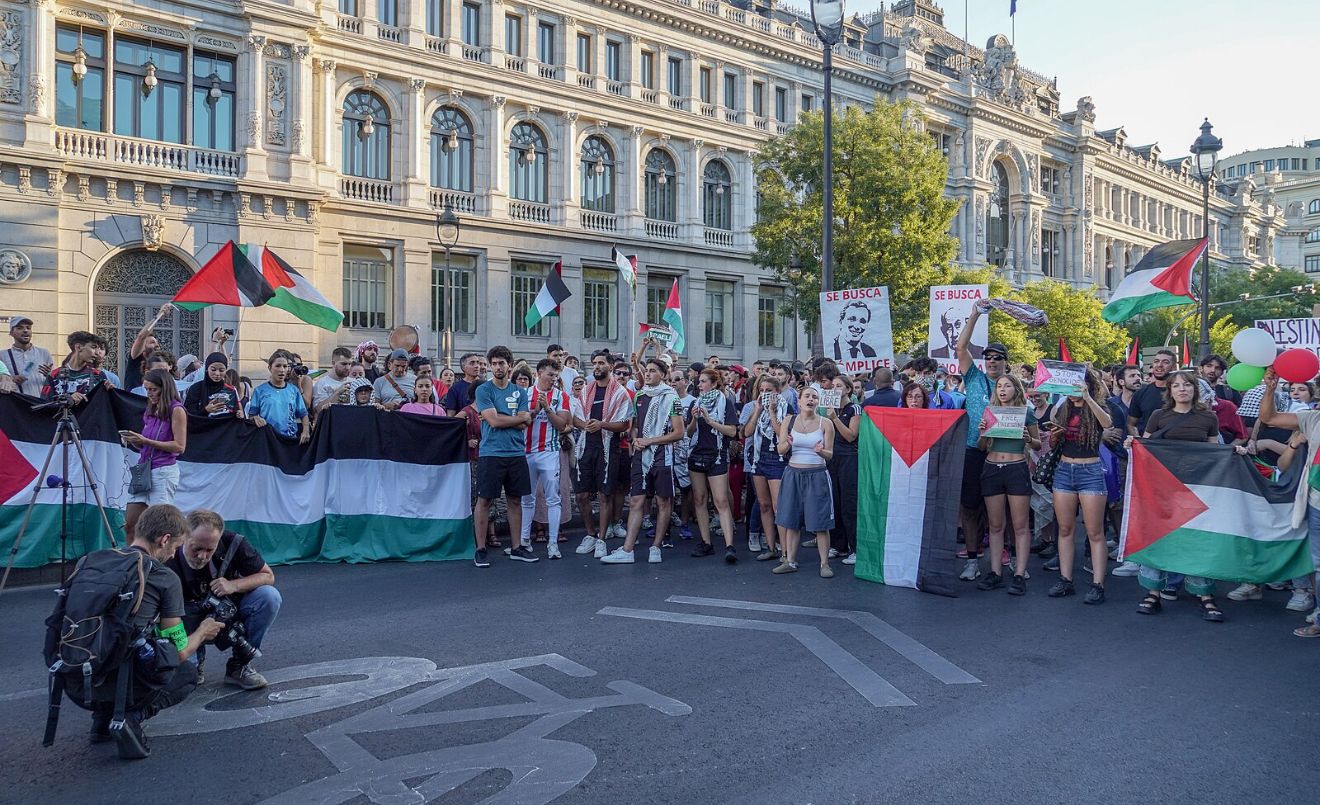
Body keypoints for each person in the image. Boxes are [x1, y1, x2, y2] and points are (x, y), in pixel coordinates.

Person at [49, 504, 223, 759]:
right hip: (121, 685)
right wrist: (203, 632)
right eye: (175, 547)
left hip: (75, 682)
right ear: (164, 540)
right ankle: (130, 717)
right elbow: (178, 652)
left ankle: (102, 721)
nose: (174, 555)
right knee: (186, 673)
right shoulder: (164, 577)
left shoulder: (90, 561)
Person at [1127, 371, 1229, 622]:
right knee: (1159, 537)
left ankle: (1204, 594)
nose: (1182, 389)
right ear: (1170, 391)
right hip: (1162, 489)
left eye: (1187, 385)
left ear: (1195, 389)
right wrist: (1133, 444)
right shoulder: (1158, 416)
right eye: (1176, 386)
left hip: (1197, 488)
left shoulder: (1208, 417)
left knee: (1196, 539)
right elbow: (1146, 447)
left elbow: (1214, 451)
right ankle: (1153, 592)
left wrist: (1233, 452)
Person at [166, 509, 281, 690]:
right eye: (196, 549)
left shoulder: (234, 543)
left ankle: (239, 665)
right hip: (182, 621)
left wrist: (234, 585)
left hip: (224, 615)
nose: (202, 556)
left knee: (269, 596)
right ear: (184, 537)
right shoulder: (167, 551)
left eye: (209, 550)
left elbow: (268, 576)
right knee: (185, 679)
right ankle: (194, 659)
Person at [601, 356, 685, 564]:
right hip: (641, 455)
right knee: (636, 500)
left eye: (653, 371)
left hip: (662, 455)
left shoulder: (671, 398)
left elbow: (678, 433)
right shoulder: (639, 395)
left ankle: (656, 547)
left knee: (663, 501)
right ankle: (627, 549)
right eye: (646, 370)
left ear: (663, 375)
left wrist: (650, 440)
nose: (647, 374)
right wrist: (635, 439)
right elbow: (636, 426)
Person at [1258, 374, 1320, 634]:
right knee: (1319, 565)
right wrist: (1270, 390)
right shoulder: (1312, 418)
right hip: (1316, 502)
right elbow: (1269, 418)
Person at [1045, 369, 1113, 604]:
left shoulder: (1096, 406)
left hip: (1090, 470)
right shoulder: (1061, 408)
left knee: (1095, 532)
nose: (1072, 389)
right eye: (1069, 385)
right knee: (1065, 529)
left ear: (1087, 385)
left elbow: (1107, 423)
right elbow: (1053, 443)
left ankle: (1098, 584)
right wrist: (1055, 436)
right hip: (1065, 470)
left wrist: (1088, 398)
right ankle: (1066, 580)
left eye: (1078, 384)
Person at [955, 301, 1008, 581]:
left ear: (1006, 362)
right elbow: (961, 348)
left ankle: (1005, 554)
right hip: (974, 450)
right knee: (970, 506)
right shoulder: (974, 377)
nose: (992, 361)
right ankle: (973, 559)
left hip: (1003, 453)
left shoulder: (1012, 385)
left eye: (998, 357)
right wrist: (974, 314)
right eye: (988, 357)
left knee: (1001, 507)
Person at [976, 374, 1041, 595]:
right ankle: (995, 572)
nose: (1002, 390)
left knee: (1020, 525)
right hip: (992, 467)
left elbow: (1038, 445)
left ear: (1016, 389)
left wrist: (1028, 439)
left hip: (1016, 468)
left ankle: (1020, 574)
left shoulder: (1026, 412)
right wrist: (982, 433)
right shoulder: (990, 412)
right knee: (995, 525)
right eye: (999, 386)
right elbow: (981, 446)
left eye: (1007, 386)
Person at [473, 345, 535, 567]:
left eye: (501, 363)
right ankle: (480, 549)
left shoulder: (520, 391)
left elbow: (524, 423)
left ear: (510, 365)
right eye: (494, 364)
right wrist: (517, 418)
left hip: (516, 453)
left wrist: (505, 418)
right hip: (491, 453)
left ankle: (517, 547)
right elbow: (494, 421)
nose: (497, 367)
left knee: (515, 500)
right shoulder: (484, 390)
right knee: (485, 500)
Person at [572, 349, 633, 558]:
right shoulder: (586, 390)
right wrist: (586, 425)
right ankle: (590, 534)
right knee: (581, 494)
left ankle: (601, 539)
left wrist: (602, 425)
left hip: (609, 448)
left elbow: (624, 424)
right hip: (586, 447)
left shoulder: (620, 392)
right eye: (594, 363)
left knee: (605, 494)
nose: (597, 366)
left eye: (601, 363)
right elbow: (575, 418)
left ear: (610, 366)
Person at [773, 384, 837, 576]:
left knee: (820, 522)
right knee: (791, 519)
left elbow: (830, 455)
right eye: (807, 396)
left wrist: (821, 451)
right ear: (799, 401)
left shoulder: (826, 423)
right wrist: (787, 443)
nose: (811, 399)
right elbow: (780, 450)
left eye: (814, 397)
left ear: (818, 402)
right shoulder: (789, 420)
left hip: (817, 474)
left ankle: (824, 564)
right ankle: (790, 561)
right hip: (793, 473)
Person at [120, 368, 188, 544]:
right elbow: (145, 443)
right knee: (130, 524)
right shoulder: (151, 409)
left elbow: (179, 446)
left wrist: (145, 441)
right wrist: (135, 440)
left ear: (164, 388)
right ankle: (134, 557)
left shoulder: (176, 410)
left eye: (153, 389)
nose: (149, 393)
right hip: (144, 469)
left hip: (163, 470)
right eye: (147, 389)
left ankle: (162, 558)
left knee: (161, 526)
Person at [686, 368, 740, 562]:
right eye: (699, 381)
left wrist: (710, 421)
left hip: (717, 454)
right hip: (696, 453)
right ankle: (706, 542)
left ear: (714, 383)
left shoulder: (725, 403)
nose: (699, 385)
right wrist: (694, 419)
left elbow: (732, 432)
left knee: (721, 500)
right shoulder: (695, 403)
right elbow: (689, 432)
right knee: (699, 499)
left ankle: (730, 545)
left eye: (703, 381)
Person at [520, 359, 571, 559]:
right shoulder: (524, 394)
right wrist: (536, 411)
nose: (553, 379)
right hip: (526, 451)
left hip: (549, 452)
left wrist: (548, 409)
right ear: (539, 373)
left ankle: (553, 543)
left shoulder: (561, 396)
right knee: (527, 498)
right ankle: (524, 541)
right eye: (550, 375)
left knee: (553, 499)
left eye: (556, 376)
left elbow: (562, 425)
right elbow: (521, 421)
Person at [745, 374, 789, 561]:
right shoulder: (757, 408)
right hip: (759, 458)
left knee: (778, 507)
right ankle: (771, 547)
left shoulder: (786, 408)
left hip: (777, 459)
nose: (764, 394)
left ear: (777, 392)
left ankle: (785, 552)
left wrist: (771, 412)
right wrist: (757, 411)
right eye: (762, 390)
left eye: (768, 391)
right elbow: (747, 432)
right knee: (764, 504)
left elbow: (781, 434)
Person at [826, 374, 862, 565]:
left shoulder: (854, 408)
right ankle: (838, 545)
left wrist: (835, 419)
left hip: (849, 458)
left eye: (839, 386)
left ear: (848, 389)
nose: (834, 389)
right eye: (832, 385)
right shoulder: (830, 409)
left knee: (849, 504)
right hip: (833, 458)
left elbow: (851, 436)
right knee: (835, 502)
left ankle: (855, 548)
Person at [247, 351, 311, 444]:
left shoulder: (294, 390)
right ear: (270, 368)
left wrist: (306, 431)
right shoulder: (259, 391)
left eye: (285, 366)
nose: (282, 370)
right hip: (267, 439)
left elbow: (303, 414)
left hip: (289, 439)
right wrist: (255, 418)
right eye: (278, 366)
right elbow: (251, 416)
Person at [42, 331, 109, 403]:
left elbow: (105, 404)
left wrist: (111, 391)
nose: (97, 353)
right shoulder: (54, 376)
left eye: (98, 348)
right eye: (93, 347)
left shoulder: (98, 375)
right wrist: (68, 400)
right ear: (78, 347)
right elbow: (44, 405)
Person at [182, 353, 242, 420]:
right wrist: (205, 410)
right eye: (213, 369)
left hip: (227, 426)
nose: (217, 374)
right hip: (203, 426)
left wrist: (239, 414)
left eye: (221, 370)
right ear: (207, 369)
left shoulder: (230, 390)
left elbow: (237, 411)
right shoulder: (196, 389)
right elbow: (189, 416)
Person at [4, 314, 52, 396]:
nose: (25, 330)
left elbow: (54, 382)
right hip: (15, 402)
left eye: (28, 328)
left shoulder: (44, 353)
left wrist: (49, 375)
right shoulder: (3, 355)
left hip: (39, 401)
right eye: (20, 328)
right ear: (11, 333)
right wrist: (10, 379)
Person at [312, 347, 358, 414]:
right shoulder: (321, 383)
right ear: (333, 363)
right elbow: (319, 410)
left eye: (350, 364)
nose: (348, 367)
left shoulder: (354, 382)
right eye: (344, 364)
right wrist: (337, 393)